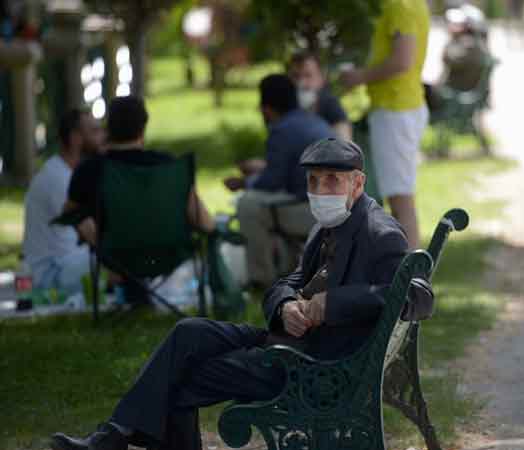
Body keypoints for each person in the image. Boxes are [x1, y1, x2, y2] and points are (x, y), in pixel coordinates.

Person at [50, 137, 410, 450]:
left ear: (358, 184)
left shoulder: (380, 233)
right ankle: (113, 434)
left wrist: (333, 306)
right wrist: (284, 305)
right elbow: (287, 282)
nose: (320, 191)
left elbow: (414, 297)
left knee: (182, 378)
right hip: (287, 341)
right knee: (189, 332)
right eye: (313, 181)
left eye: (332, 181)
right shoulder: (329, 225)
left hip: (317, 367)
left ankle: (112, 438)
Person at [62, 96, 215, 303]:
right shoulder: (169, 166)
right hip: (170, 252)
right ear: (142, 129)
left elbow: (68, 214)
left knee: (81, 220)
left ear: (109, 130)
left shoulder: (90, 169)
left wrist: (96, 241)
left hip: (116, 256)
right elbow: (204, 222)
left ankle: (130, 288)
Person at [224, 74, 334, 287]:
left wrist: (243, 183)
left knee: (247, 205)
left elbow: (272, 182)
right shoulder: (314, 120)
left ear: (266, 107)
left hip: (312, 213)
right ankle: (291, 268)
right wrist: (263, 168)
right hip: (339, 205)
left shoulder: (281, 129)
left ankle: (262, 278)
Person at [339, 0, 430, 250]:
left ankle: (413, 280)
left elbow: (402, 61)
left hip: (396, 109)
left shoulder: (399, 5)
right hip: (397, 107)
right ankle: (407, 275)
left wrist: (359, 77)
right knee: (399, 198)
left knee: (401, 200)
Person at [22, 108, 105, 295]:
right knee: (119, 261)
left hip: (68, 263)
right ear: (76, 138)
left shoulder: (68, 173)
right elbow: (92, 233)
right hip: (50, 274)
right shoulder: (58, 179)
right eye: (94, 131)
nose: (102, 137)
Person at [424, 6, 491, 114]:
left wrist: (452, 39)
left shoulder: (469, 45)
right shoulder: (475, 44)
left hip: (457, 91)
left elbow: (448, 59)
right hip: (456, 88)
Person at [287, 51, 352, 140]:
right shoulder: (285, 107)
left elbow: (343, 144)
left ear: (321, 78)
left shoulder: (330, 104)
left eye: (308, 75)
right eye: (296, 76)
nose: (301, 83)